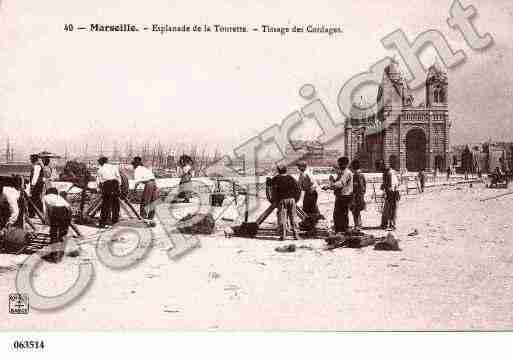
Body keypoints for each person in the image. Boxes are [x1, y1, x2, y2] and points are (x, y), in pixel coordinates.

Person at [271, 164, 301, 241]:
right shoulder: (291, 178)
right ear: (286, 170)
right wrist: (295, 199)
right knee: (293, 217)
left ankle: (283, 236)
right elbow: (298, 189)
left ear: (278, 171)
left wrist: (274, 200)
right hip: (292, 200)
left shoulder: (276, 178)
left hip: (282, 200)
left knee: (282, 218)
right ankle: (296, 235)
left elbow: (272, 188)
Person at [324, 157, 353, 234]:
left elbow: (340, 184)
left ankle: (343, 230)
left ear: (345, 164)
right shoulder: (342, 172)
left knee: (342, 214)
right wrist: (332, 180)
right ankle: (339, 230)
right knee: (337, 214)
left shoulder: (347, 173)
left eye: (340, 164)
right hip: (340, 196)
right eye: (339, 163)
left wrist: (329, 186)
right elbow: (337, 183)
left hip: (345, 196)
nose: (339, 165)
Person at [43, 188, 72, 262]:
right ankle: (61, 254)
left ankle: (54, 255)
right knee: (63, 233)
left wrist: (47, 221)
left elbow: (45, 210)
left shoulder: (45, 197)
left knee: (53, 233)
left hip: (57, 211)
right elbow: (68, 207)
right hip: (67, 211)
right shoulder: (59, 197)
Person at [96, 157, 121, 228]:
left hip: (107, 186)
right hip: (115, 185)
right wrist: (118, 187)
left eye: (99, 162)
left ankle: (102, 223)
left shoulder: (100, 170)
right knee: (115, 205)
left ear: (101, 162)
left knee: (105, 205)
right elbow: (119, 178)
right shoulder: (114, 167)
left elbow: (99, 182)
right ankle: (115, 222)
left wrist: (98, 189)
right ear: (106, 161)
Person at [381, 164, 400, 230]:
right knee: (388, 209)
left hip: (393, 194)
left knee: (392, 209)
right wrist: (383, 186)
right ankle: (386, 223)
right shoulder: (391, 173)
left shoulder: (390, 174)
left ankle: (392, 224)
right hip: (391, 193)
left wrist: (385, 190)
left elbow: (391, 186)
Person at [350, 160, 366, 230]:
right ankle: (359, 224)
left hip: (357, 196)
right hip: (360, 195)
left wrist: (354, 196)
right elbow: (364, 186)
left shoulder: (356, 175)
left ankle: (357, 225)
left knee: (355, 210)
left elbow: (356, 187)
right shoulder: (361, 174)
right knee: (357, 211)